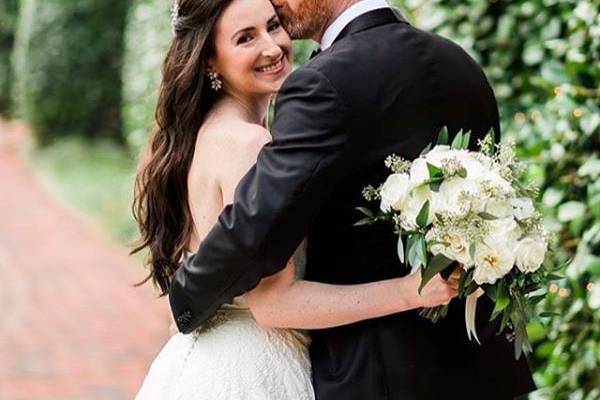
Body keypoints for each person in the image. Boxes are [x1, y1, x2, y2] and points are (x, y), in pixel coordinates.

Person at [167, 0, 538, 398]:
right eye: (246, 37)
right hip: (479, 365)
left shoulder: (321, 83)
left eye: (273, 22)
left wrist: (187, 296)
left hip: (376, 373)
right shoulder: (460, 63)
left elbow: (255, 232)